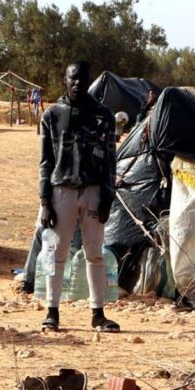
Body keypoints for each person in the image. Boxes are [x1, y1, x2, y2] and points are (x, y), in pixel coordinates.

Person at [37, 61, 119, 332]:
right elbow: (45, 162)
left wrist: (109, 196)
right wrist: (45, 202)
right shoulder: (52, 115)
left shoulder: (103, 116)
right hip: (62, 192)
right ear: (65, 81)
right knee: (57, 253)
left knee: (95, 253)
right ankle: (52, 312)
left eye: (82, 80)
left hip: (95, 191)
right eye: (72, 79)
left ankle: (98, 313)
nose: (77, 84)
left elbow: (110, 158)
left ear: (89, 81)